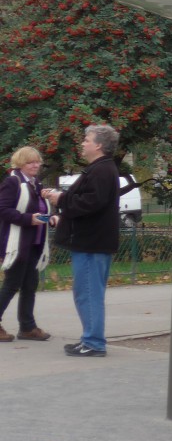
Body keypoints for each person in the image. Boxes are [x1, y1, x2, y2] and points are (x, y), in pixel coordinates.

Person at [42, 124, 120, 358]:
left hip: (91, 244)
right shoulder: (101, 169)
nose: (83, 143)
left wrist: (61, 199)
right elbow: (90, 201)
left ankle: (94, 342)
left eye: (87, 140)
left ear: (99, 145)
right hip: (92, 242)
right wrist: (63, 203)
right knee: (87, 292)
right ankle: (90, 338)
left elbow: (90, 203)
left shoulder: (102, 170)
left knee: (88, 293)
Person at [0, 147, 54, 342]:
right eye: (31, 162)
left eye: (38, 161)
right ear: (20, 164)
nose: (36, 165)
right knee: (12, 284)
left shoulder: (36, 184)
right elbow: (3, 210)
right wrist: (28, 219)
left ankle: (27, 327)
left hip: (34, 243)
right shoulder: (12, 182)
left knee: (30, 285)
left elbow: (40, 209)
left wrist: (50, 217)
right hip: (16, 244)